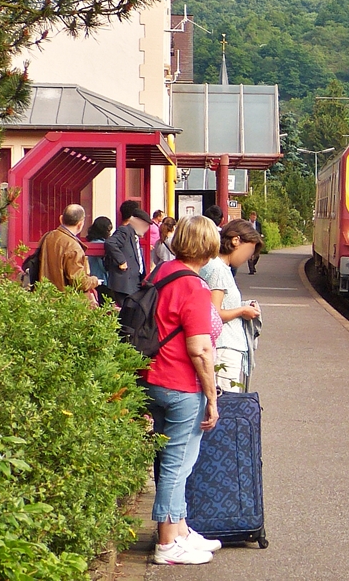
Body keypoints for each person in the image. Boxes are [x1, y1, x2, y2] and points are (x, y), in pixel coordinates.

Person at [142, 215, 223, 565]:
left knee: (170, 459)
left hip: (151, 378)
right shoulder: (195, 287)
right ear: (209, 247)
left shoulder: (160, 273)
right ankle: (166, 543)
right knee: (178, 464)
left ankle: (181, 529)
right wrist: (213, 397)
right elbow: (200, 349)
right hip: (180, 384)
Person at [200, 219, 262, 394]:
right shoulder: (218, 269)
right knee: (226, 402)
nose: (249, 256)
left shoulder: (220, 268)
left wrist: (242, 306)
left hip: (226, 345)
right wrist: (243, 310)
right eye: (249, 250)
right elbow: (214, 313)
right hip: (224, 347)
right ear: (236, 241)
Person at [40, 204, 100, 302]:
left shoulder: (48, 236)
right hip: (66, 303)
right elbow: (79, 282)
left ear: (61, 219)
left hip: (47, 297)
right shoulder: (74, 247)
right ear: (80, 224)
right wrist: (95, 280)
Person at [104, 202, 151, 305]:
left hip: (134, 282)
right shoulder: (124, 231)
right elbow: (110, 243)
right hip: (124, 284)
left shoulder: (134, 235)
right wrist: (121, 261)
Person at [85, 215, 115, 306]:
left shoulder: (91, 242)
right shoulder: (101, 245)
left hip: (93, 279)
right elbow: (103, 267)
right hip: (102, 282)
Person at [245, 210, 264, 274]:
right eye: (252, 217)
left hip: (256, 241)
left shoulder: (258, 224)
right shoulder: (246, 224)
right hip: (249, 241)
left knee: (257, 256)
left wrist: (261, 235)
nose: (253, 218)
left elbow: (260, 232)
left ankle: (253, 265)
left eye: (254, 217)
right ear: (250, 217)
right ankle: (251, 270)